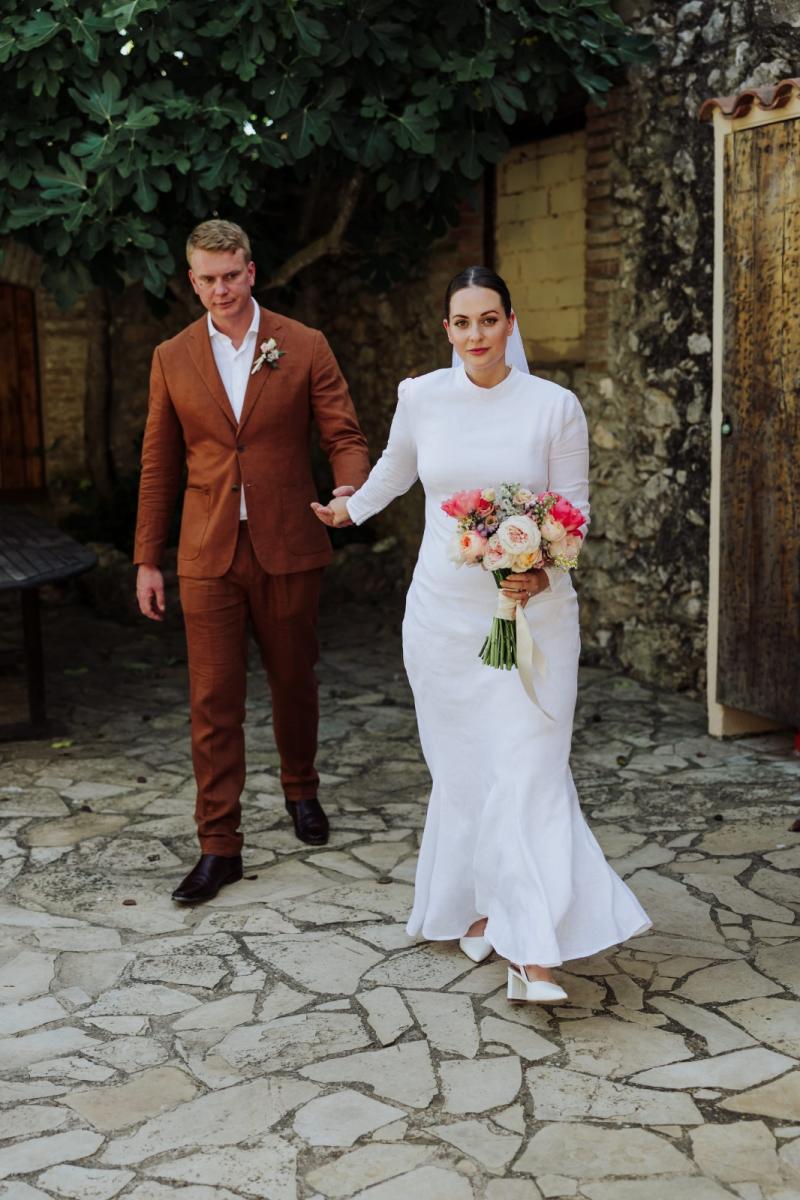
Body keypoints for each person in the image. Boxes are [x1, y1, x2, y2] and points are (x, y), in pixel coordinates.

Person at [313, 266, 650, 1003]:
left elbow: (574, 510)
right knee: (466, 771)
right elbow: (396, 472)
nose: (476, 335)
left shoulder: (555, 407)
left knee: (530, 769)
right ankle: (483, 907)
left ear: (510, 322)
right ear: (447, 329)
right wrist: (348, 511)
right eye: (462, 323)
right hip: (444, 618)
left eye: (489, 320)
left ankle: (535, 953)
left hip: (537, 619)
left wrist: (541, 572)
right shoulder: (421, 397)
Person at [134, 219, 371, 904]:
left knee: (295, 679)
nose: (221, 289)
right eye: (208, 279)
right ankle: (219, 845)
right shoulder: (171, 357)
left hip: (288, 546)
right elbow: (159, 463)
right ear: (192, 281)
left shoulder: (304, 343)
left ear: (252, 271)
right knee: (212, 701)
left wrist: (350, 490)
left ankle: (301, 788)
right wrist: (147, 558)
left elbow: (345, 435)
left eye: (231, 276)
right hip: (206, 552)